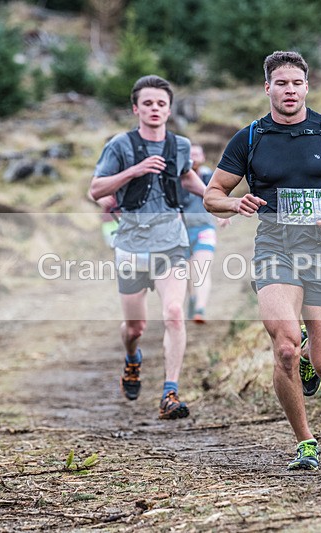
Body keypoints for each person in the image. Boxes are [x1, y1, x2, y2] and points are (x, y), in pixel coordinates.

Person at [204, 51, 321, 471]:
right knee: (285, 348)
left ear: (306, 87)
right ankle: (306, 443)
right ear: (268, 88)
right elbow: (212, 195)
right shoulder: (251, 138)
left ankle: (312, 364)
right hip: (275, 249)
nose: (289, 90)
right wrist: (235, 202)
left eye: (296, 83)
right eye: (281, 83)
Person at [88, 75, 207, 420]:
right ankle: (132, 357)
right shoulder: (120, 146)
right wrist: (135, 170)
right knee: (135, 328)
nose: (155, 109)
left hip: (172, 242)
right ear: (135, 108)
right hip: (131, 246)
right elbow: (97, 190)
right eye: (148, 103)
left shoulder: (180, 145)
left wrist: (217, 198)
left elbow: (186, 177)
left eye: (161, 103)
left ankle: (170, 392)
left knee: (173, 313)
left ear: (169, 109)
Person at [180, 143, 230, 323]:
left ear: (203, 157)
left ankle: (200, 308)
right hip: (180, 232)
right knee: (186, 274)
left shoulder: (211, 177)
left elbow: (220, 197)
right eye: (190, 154)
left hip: (204, 229)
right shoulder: (178, 178)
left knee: (202, 269)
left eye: (197, 154)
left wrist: (223, 214)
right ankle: (193, 299)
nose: (193, 157)